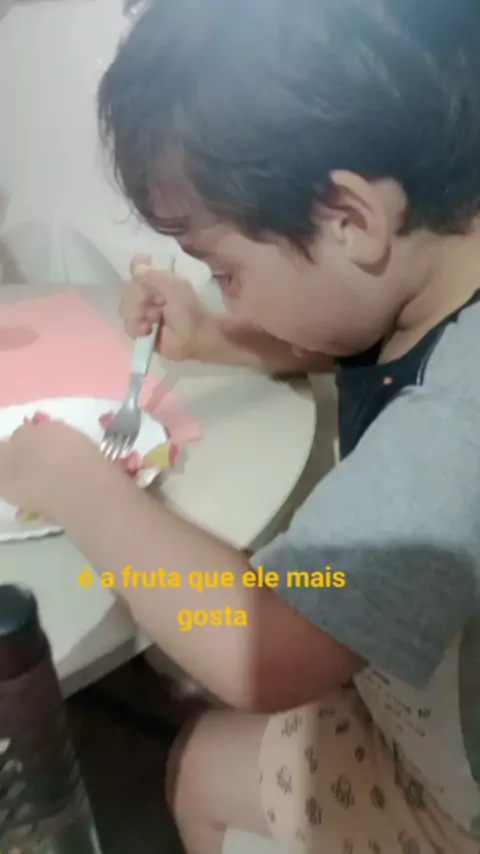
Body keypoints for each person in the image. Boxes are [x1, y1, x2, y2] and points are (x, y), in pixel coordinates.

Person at [2, 0, 480, 851]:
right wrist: (213, 337)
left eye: (226, 270)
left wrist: (73, 482)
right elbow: (362, 344)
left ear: (347, 219)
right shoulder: (435, 268)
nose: (226, 291)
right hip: (415, 688)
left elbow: (264, 646)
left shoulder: (457, 422)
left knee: (196, 764)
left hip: (453, 801)